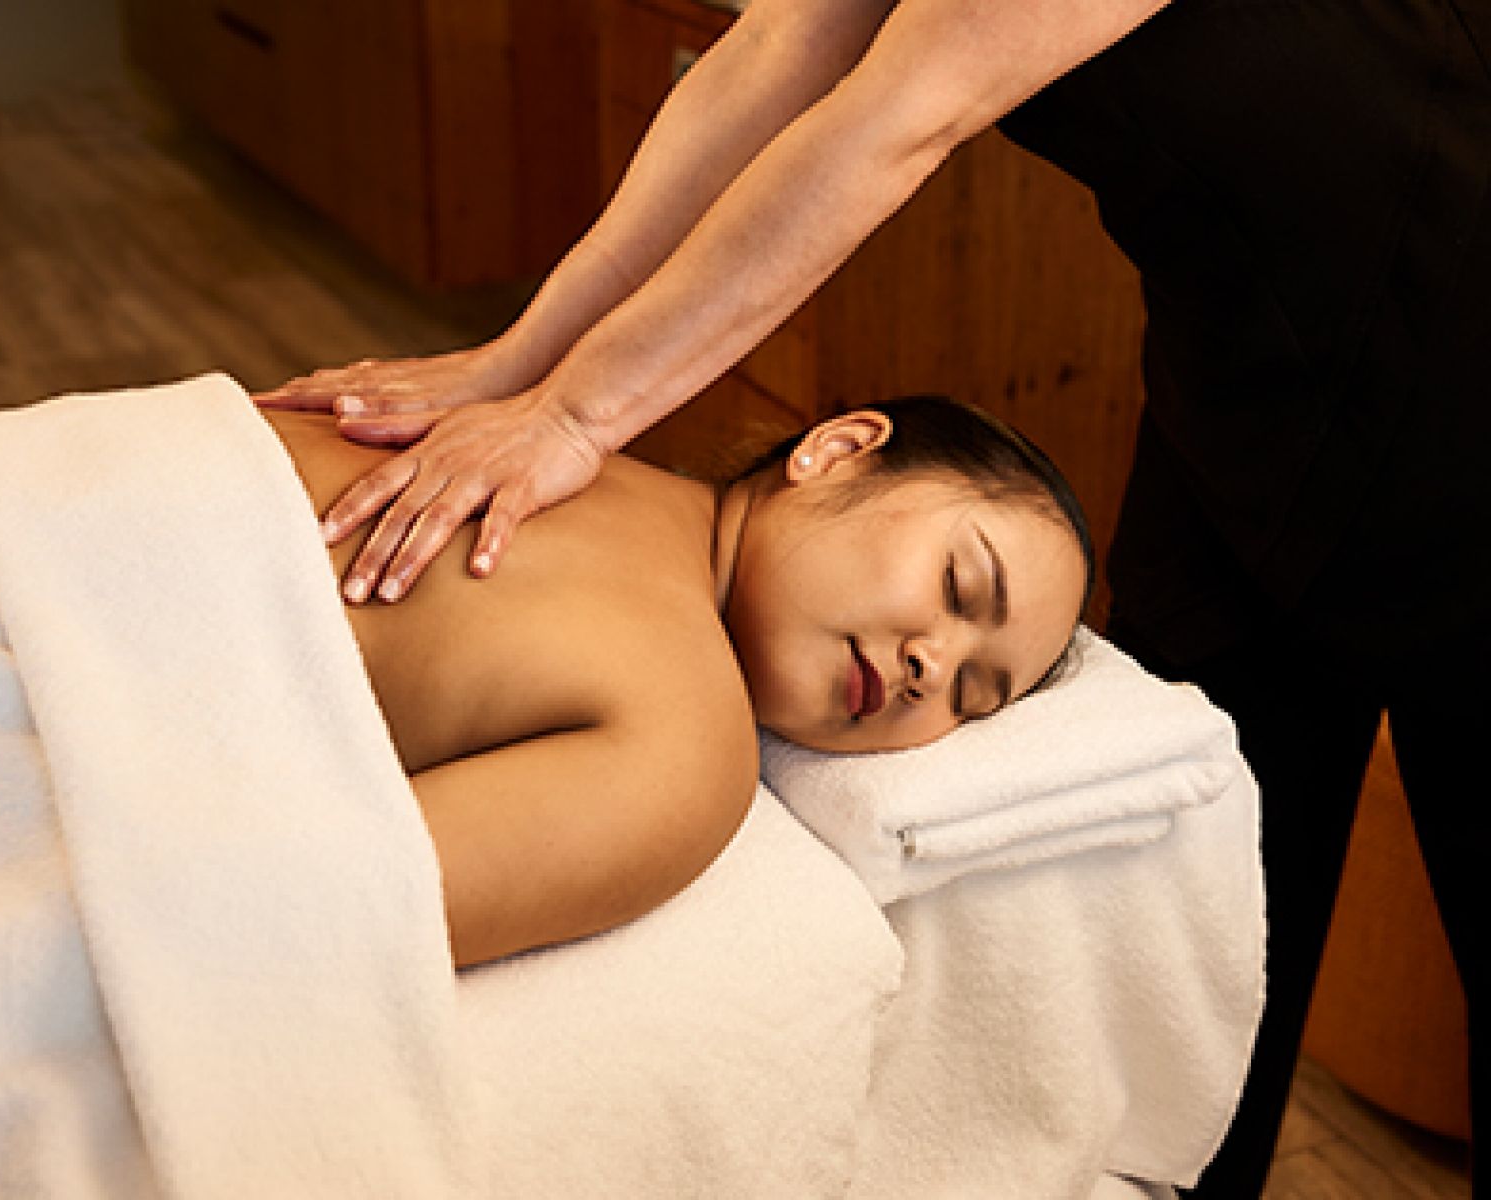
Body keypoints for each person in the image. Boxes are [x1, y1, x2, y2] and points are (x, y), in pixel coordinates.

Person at [261, 0, 1488, 1192]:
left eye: (977, 672)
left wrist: (576, 412)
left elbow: (897, 114)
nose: (925, 672)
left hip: (1456, 324)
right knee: (1209, 895)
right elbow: (781, 54)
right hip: (1250, 371)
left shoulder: (669, 763)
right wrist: (517, 366)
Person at [263, 394, 1091, 967]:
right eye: (960, 587)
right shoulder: (689, 752)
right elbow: (296, 920)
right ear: (836, 452)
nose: (932, 668)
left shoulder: (513, 434)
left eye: (972, 696)